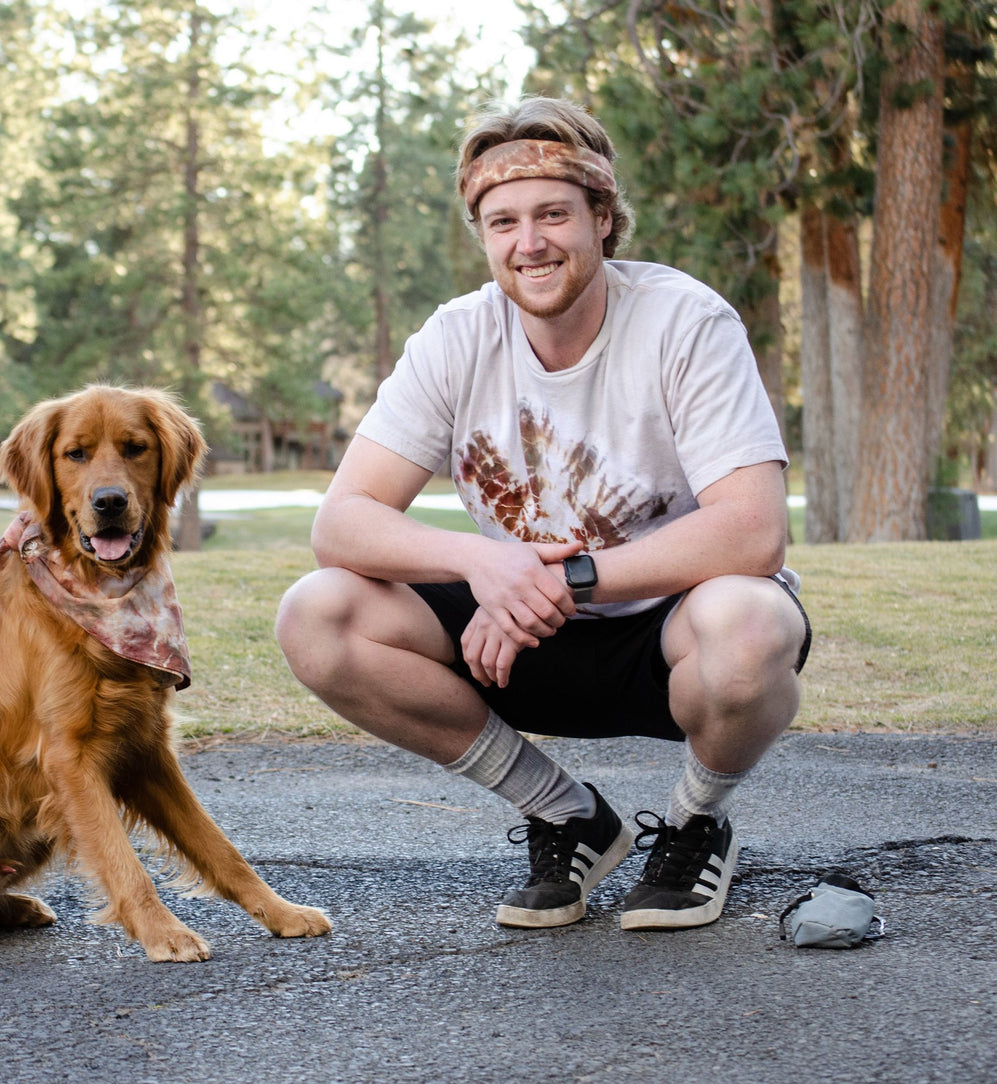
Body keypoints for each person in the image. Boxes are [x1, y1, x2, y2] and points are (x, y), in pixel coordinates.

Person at [275, 96, 811, 932]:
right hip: (516, 630)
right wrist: (481, 565)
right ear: (483, 236)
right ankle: (567, 817)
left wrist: (564, 579)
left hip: (663, 629)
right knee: (318, 613)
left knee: (748, 624)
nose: (528, 243)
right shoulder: (456, 337)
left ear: (602, 218)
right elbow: (340, 522)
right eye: (502, 222)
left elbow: (752, 529)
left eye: (553, 214)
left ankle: (694, 823)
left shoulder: (684, 320)